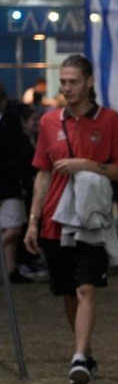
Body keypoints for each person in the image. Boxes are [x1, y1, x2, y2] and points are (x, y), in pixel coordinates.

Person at [23, 54, 118, 384]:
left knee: (86, 287)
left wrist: (86, 164)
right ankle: (83, 351)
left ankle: (80, 356)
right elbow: (42, 172)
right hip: (54, 221)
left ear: (89, 82)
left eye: (73, 81)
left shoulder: (110, 120)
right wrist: (33, 220)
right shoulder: (48, 122)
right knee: (69, 292)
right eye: (63, 81)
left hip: (91, 220)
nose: (66, 88)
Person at [0, 89, 34, 283]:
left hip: (10, 181)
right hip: (9, 181)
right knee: (13, 228)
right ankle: (10, 269)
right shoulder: (10, 121)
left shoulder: (9, 118)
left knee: (12, 227)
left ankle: (11, 270)